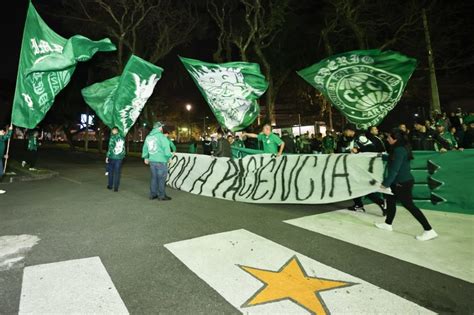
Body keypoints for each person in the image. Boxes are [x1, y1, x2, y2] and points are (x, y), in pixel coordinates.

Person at [375, 129, 438, 241]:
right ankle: (388, 224)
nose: (387, 139)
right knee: (390, 201)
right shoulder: (398, 148)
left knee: (409, 206)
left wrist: (385, 184)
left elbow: (395, 169)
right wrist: (380, 156)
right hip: (397, 182)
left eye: (389, 137)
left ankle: (429, 230)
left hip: (402, 183)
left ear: (396, 139)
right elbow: (392, 159)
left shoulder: (399, 150)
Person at [347, 126, 386, 214]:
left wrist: (358, 150)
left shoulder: (360, 137)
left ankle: (380, 202)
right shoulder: (354, 139)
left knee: (362, 186)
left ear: (350, 130)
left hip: (363, 166)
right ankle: (359, 205)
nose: (345, 133)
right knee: (356, 186)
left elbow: (371, 148)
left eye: (346, 131)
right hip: (358, 166)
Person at [142, 122, 173, 201]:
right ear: (160, 128)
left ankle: (153, 194)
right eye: (161, 127)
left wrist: (146, 157)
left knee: (154, 178)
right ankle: (162, 195)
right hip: (161, 160)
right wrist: (169, 157)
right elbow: (166, 148)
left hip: (152, 160)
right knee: (161, 178)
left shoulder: (148, 137)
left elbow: (145, 147)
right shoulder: (161, 137)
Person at [105, 127, 126, 192]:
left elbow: (110, 148)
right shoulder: (122, 138)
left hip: (112, 157)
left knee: (111, 172)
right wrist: (122, 156)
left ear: (114, 131)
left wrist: (107, 156)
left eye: (112, 131)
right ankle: (116, 188)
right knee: (117, 173)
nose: (112, 132)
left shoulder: (112, 138)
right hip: (119, 158)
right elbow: (123, 148)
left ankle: (110, 185)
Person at [0, 125, 13, 193]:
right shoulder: (1, 138)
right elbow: (6, 137)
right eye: (1, 131)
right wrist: (10, 130)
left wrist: (4, 156)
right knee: (0, 172)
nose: (3, 131)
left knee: (1, 173)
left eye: (3, 130)